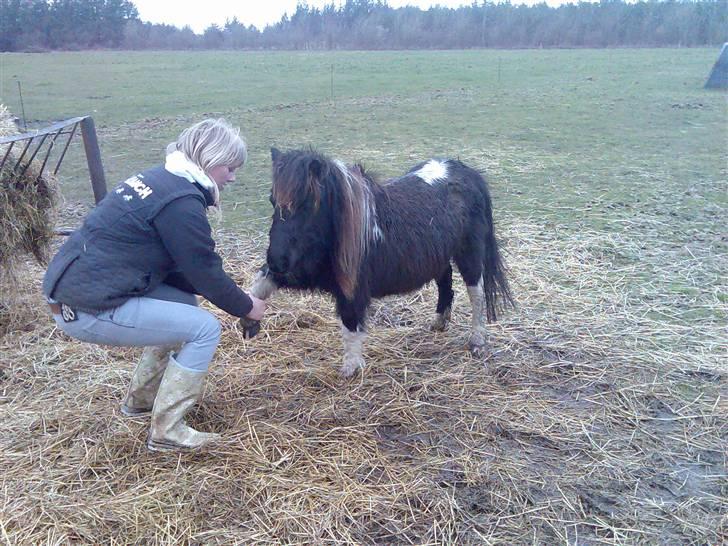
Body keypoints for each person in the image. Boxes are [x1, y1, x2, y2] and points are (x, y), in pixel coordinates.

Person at [42, 118, 266, 452]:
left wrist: (231, 297)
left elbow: (183, 270)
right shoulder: (181, 204)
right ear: (210, 159)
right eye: (230, 168)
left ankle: (141, 402)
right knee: (204, 328)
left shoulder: (161, 180)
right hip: (86, 307)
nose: (233, 177)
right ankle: (168, 431)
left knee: (184, 306)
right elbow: (204, 270)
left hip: (76, 290)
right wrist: (248, 307)